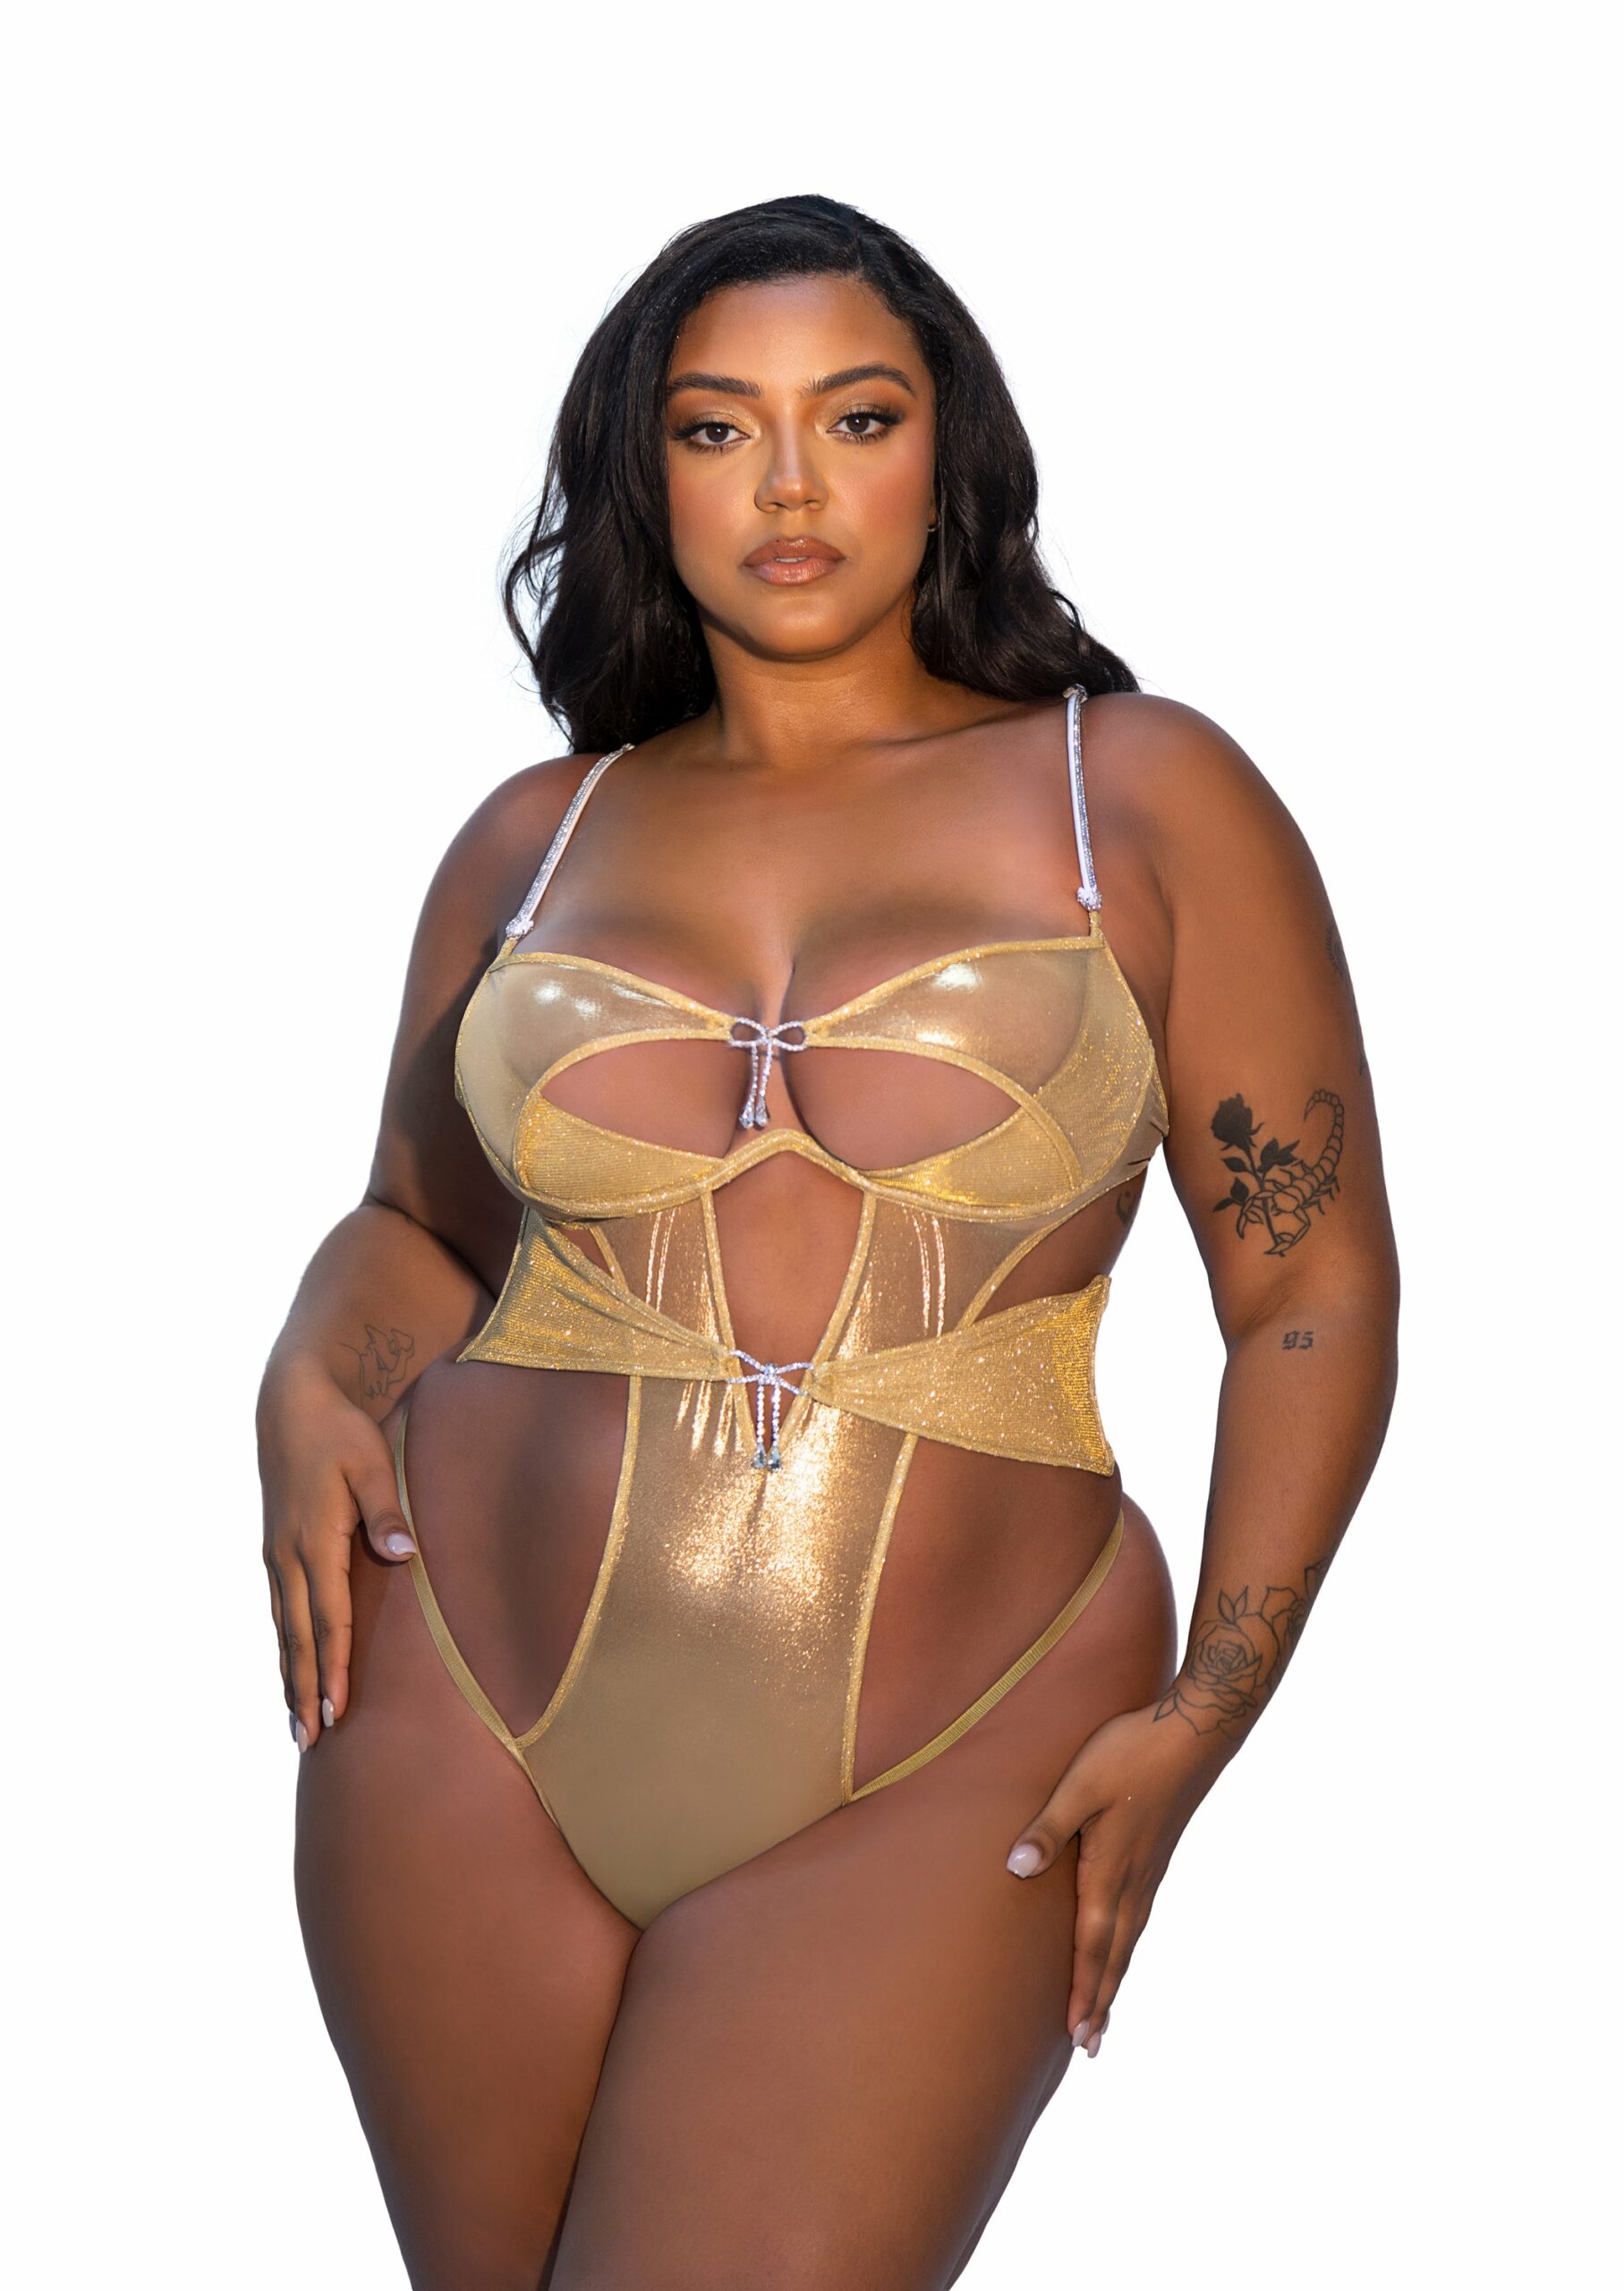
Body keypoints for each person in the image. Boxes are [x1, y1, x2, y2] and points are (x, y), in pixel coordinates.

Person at [257, 192, 1399, 2289]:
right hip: (461, 1702)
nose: (790, 485)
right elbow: (419, 1228)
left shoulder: (1138, 798)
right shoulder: (538, 837)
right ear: (645, 473)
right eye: (719, 428)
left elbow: (1307, 1287)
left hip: (967, 1720)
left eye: (855, 418)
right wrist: (304, 1378)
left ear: (947, 451)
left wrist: (1213, 1704)